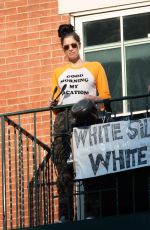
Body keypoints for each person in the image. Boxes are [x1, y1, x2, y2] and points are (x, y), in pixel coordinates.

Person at [50, 23, 111, 222]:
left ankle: (92, 212)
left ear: (79, 44)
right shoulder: (58, 72)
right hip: (64, 119)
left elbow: (106, 97)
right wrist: (53, 105)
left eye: (73, 45)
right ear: (63, 49)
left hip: (86, 116)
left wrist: (94, 99)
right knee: (63, 166)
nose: (70, 49)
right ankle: (65, 214)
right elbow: (56, 102)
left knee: (89, 163)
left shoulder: (95, 67)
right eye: (66, 47)